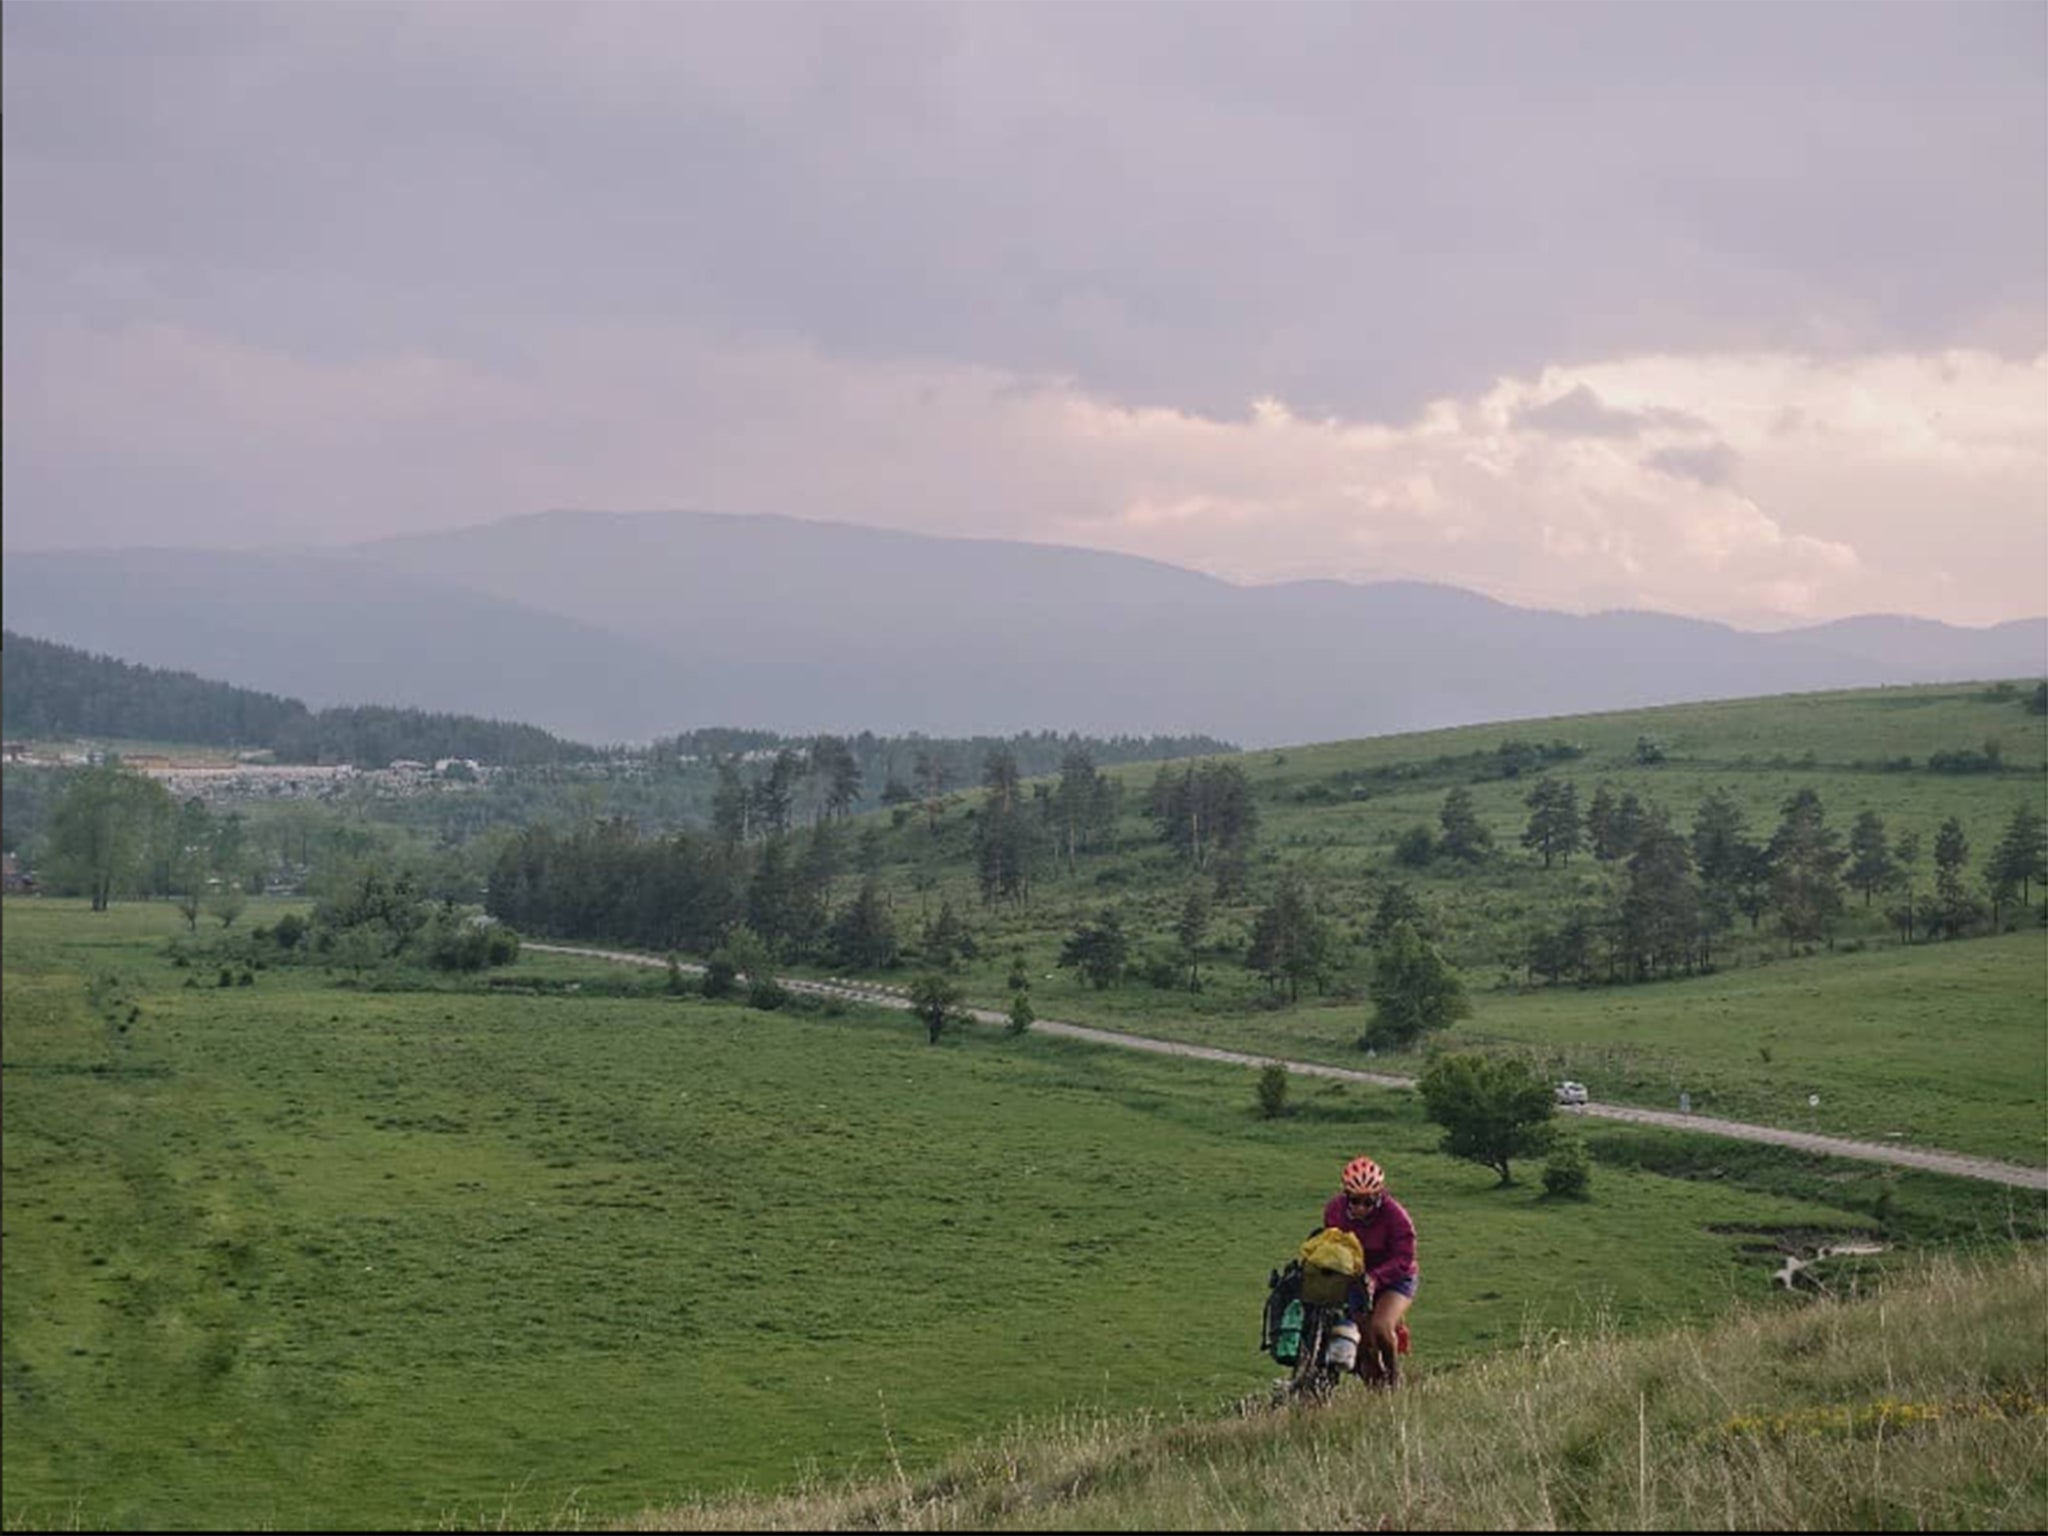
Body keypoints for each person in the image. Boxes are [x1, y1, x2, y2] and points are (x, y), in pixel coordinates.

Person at [1320, 1155, 1417, 1386]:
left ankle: (1395, 1377)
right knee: (1362, 1339)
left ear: (1379, 1197)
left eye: (1368, 1202)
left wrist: (1376, 1278)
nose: (1361, 1208)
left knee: (1381, 1327)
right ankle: (1375, 1386)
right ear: (1346, 1196)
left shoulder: (1396, 1216)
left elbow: (1405, 1257)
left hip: (1395, 1279)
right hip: (1356, 1278)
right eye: (1354, 1201)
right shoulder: (1335, 1210)